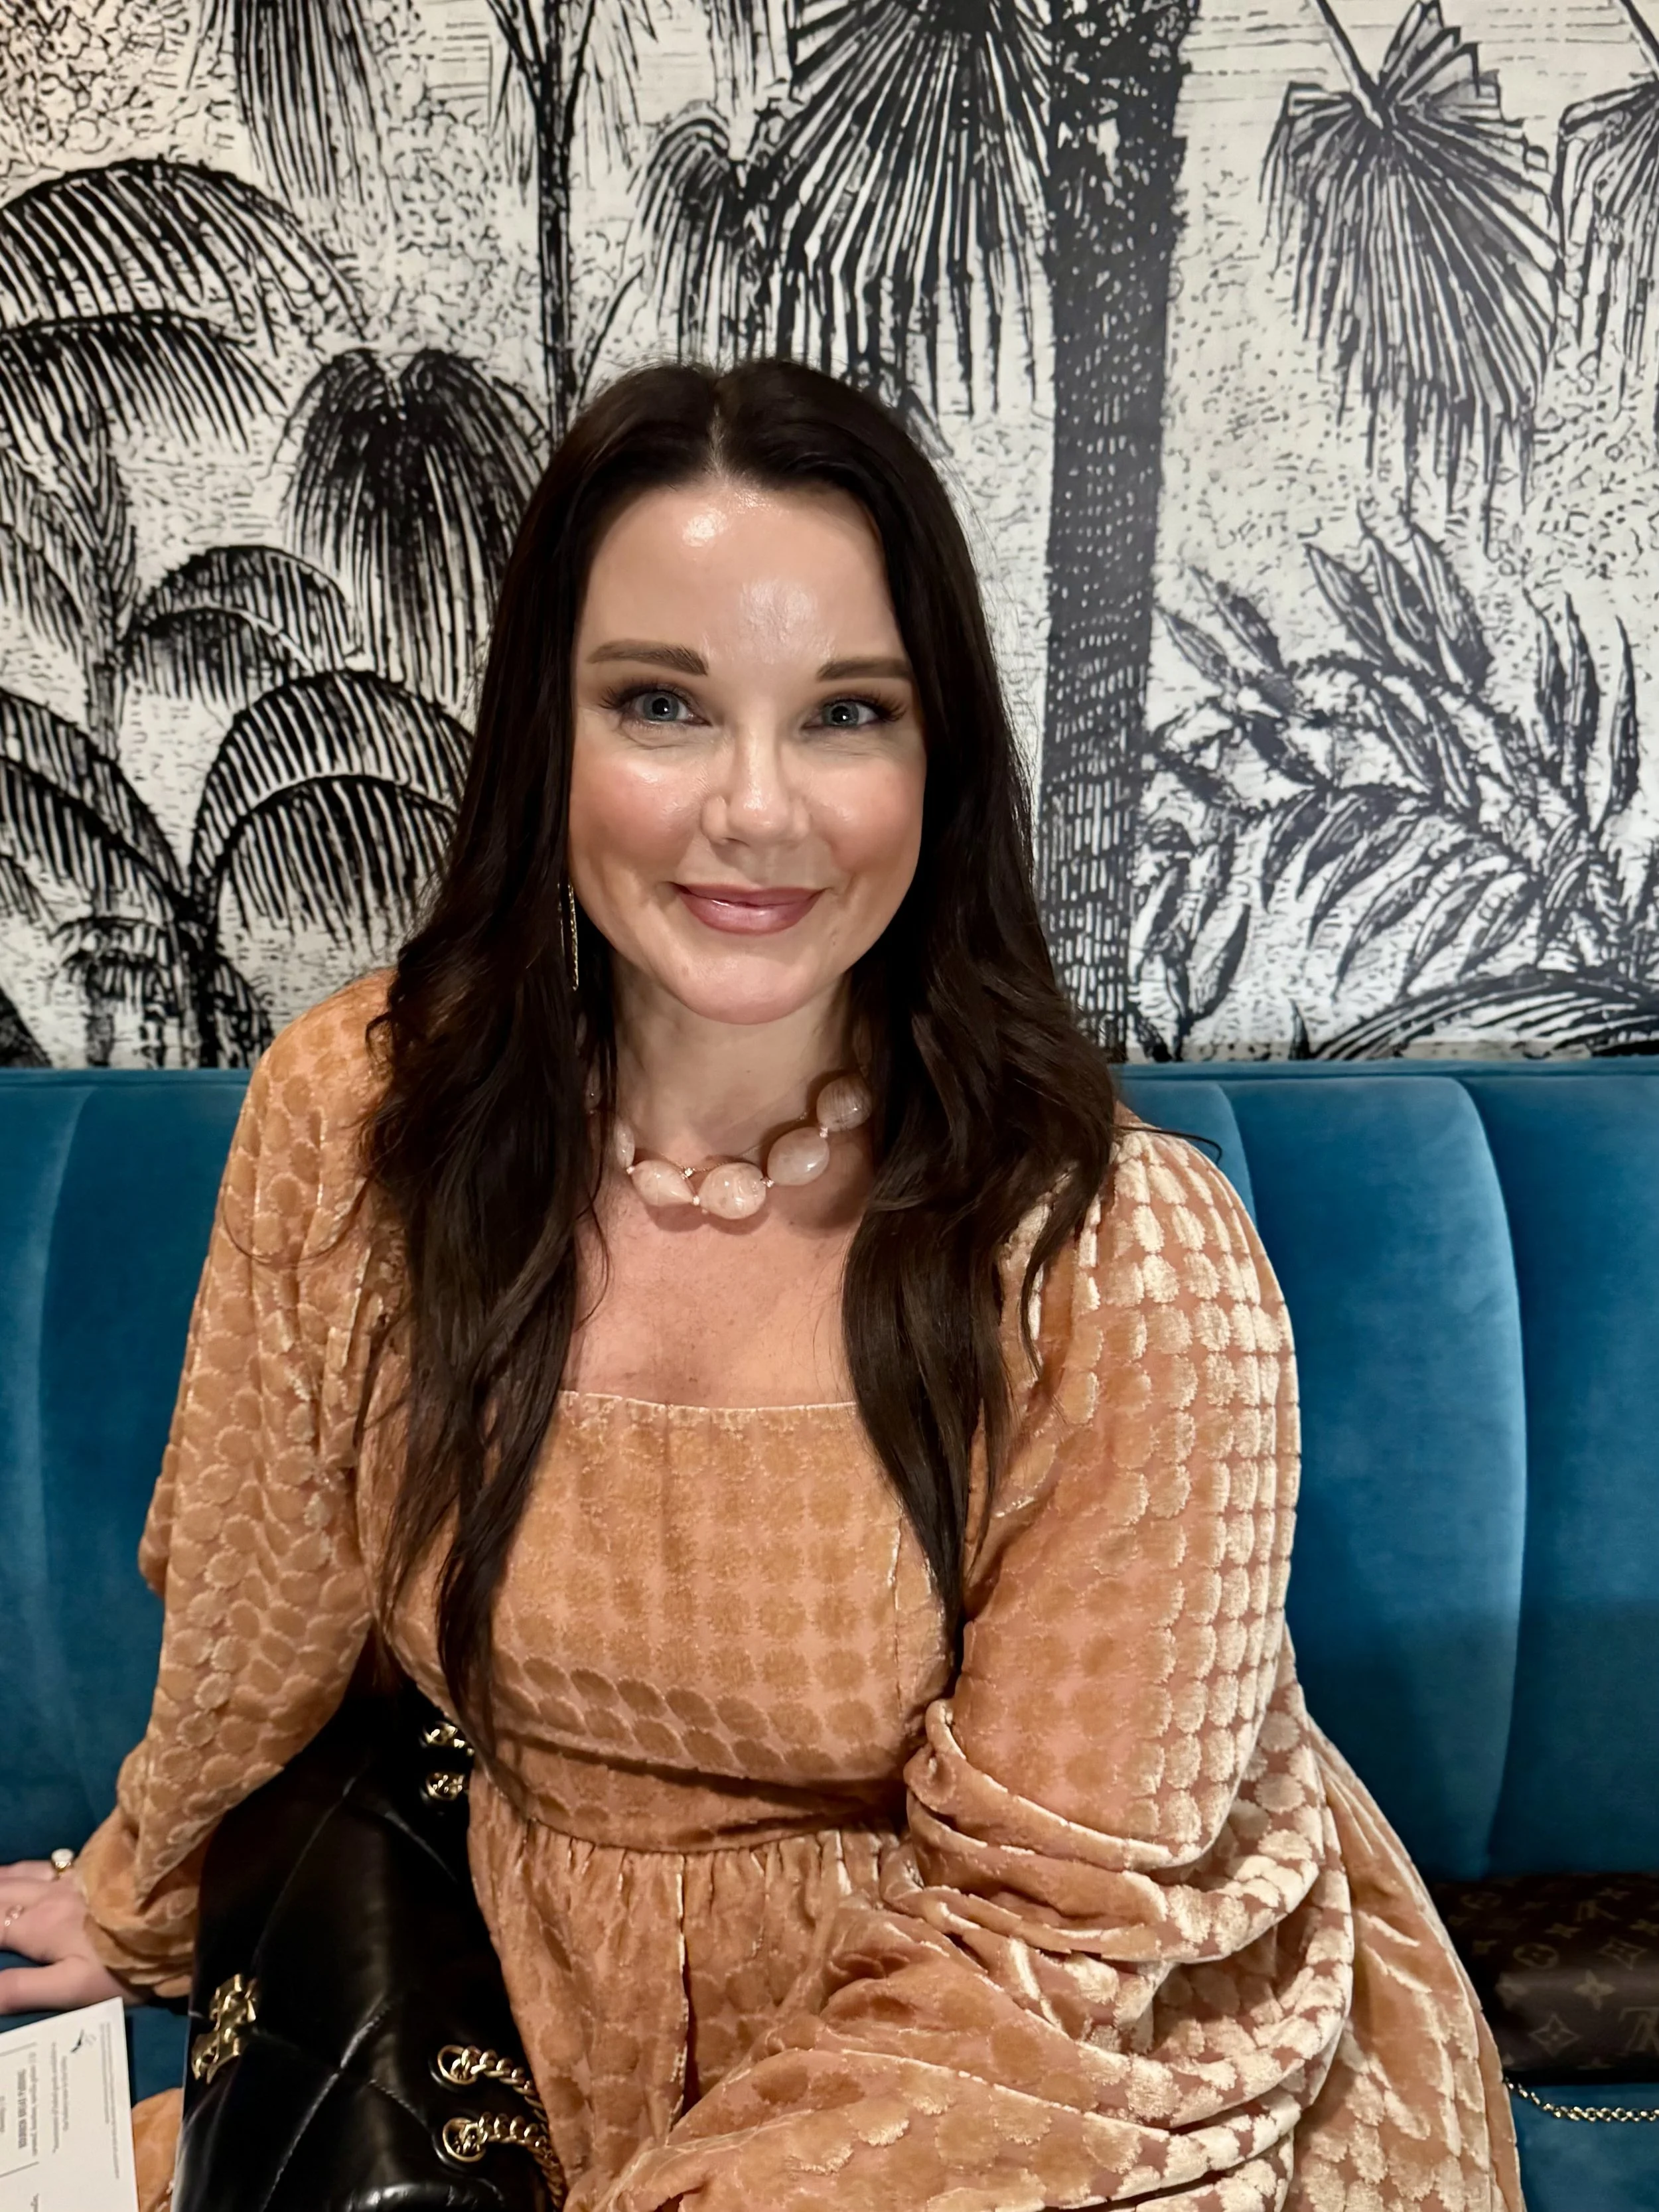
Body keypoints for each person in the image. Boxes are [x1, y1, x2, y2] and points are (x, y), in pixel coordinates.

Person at [0, 358, 1520, 2211]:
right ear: (543, 735)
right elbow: (265, 1587)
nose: (754, 810)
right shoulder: (356, 1117)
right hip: (517, 2001)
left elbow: (1049, 1956)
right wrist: (143, 1888)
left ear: (937, 754)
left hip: (1025, 2077)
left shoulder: (1124, 1260)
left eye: (845, 714)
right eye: (661, 702)